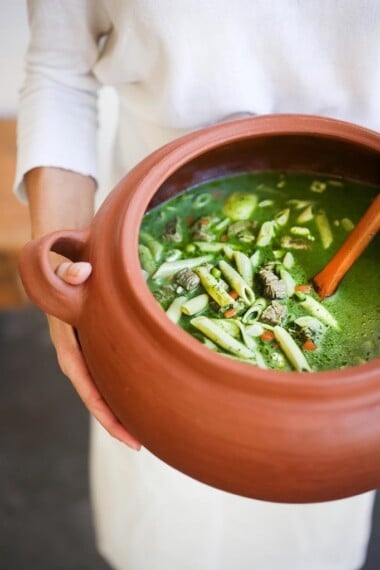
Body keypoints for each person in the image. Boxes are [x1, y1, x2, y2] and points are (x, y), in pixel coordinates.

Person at [16, 2, 379, 569]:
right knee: (163, 526)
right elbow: (61, 69)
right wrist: (67, 290)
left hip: (363, 207)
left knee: (309, 534)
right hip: (140, 240)